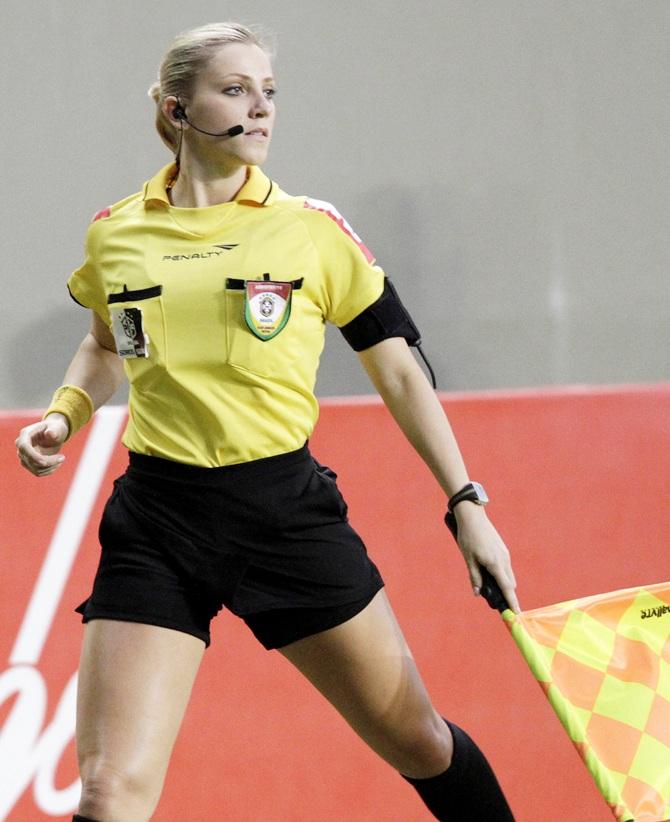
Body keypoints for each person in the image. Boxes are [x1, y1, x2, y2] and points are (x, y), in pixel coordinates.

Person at [15, 22, 520, 822]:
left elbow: (397, 367)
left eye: (269, 92)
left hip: (284, 517)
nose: (261, 109)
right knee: (111, 792)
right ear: (179, 108)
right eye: (236, 90)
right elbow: (104, 343)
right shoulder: (117, 233)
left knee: (419, 742)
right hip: (157, 521)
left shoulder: (311, 229)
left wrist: (466, 500)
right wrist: (64, 416)